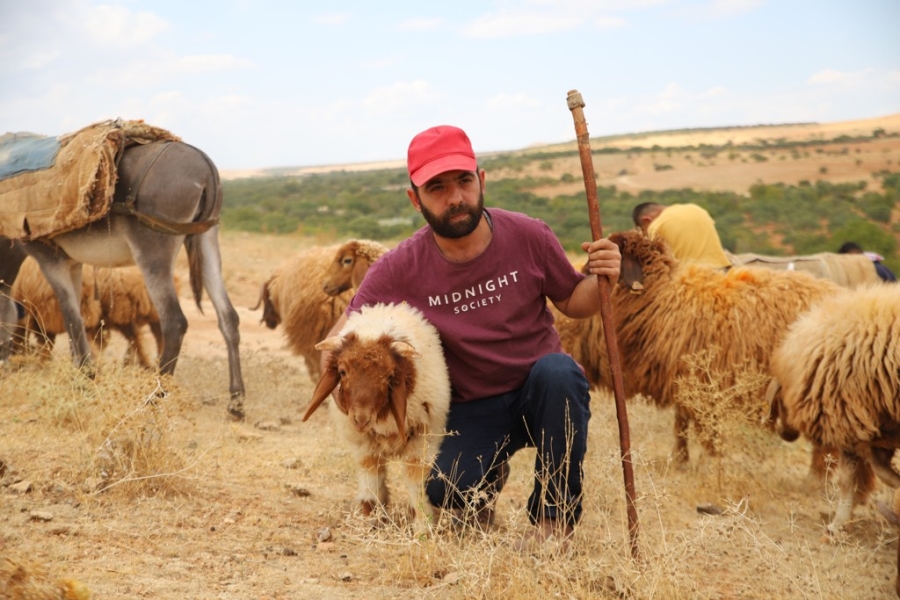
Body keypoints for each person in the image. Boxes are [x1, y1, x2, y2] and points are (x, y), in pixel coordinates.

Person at [319, 124, 621, 549]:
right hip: (470, 408)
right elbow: (343, 336)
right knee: (439, 490)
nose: (455, 197)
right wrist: (344, 390)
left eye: (463, 181)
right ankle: (487, 474)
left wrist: (602, 275)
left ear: (481, 181)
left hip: (540, 392)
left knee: (560, 374)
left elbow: (574, 299)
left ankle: (553, 522)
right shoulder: (400, 266)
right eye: (437, 187)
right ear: (415, 199)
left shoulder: (529, 235)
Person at [632, 202, 732, 269]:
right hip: (722, 268)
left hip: (693, 277)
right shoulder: (696, 209)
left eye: (644, 229)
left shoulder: (656, 225)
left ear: (647, 220)